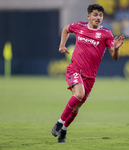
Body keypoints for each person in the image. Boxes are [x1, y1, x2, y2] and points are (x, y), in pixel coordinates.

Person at [51, 3, 125, 143]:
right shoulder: (79, 26)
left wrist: (116, 48)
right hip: (75, 68)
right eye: (95, 15)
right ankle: (59, 123)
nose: (98, 18)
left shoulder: (106, 34)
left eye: (101, 15)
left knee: (77, 106)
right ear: (89, 16)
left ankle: (64, 129)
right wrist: (61, 45)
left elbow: (115, 57)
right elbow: (66, 29)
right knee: (79, 94)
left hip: (90, 76)